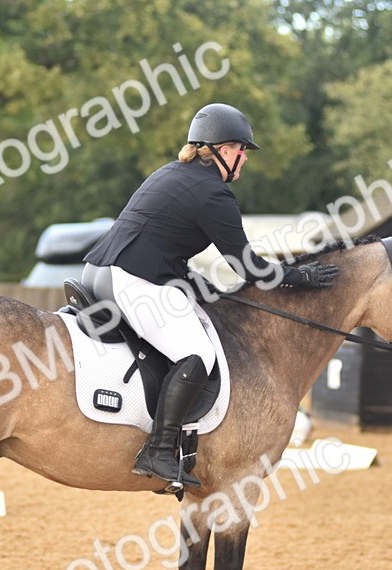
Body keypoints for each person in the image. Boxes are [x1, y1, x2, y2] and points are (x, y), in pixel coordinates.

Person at [83, 103, 338, 488]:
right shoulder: (213, 194)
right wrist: (299, 275)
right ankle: (158, 449)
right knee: (196, 353)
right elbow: (249, 268)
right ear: (219, 148)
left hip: (97, 273)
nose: (244, 160)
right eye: (241, 150)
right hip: (132, 280)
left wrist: (198, 282)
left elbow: (162, 242)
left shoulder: (172, 173)